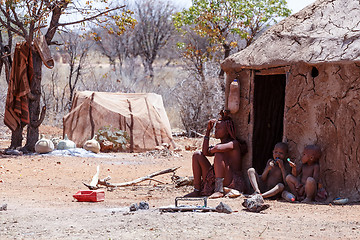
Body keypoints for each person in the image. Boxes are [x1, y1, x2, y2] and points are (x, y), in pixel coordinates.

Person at [185, 110, 246, 198]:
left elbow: (217, 149)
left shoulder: (234, 144)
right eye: (215, 128)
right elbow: (205, 152)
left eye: (219, 128)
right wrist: (208, 131)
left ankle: (219, 190)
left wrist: (213, 149)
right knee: (197, 155)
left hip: (231, 181)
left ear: (227, 131)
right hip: (216, 178)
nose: (216, 131)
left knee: (219, 154)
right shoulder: (219, 145)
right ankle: (197, 190)